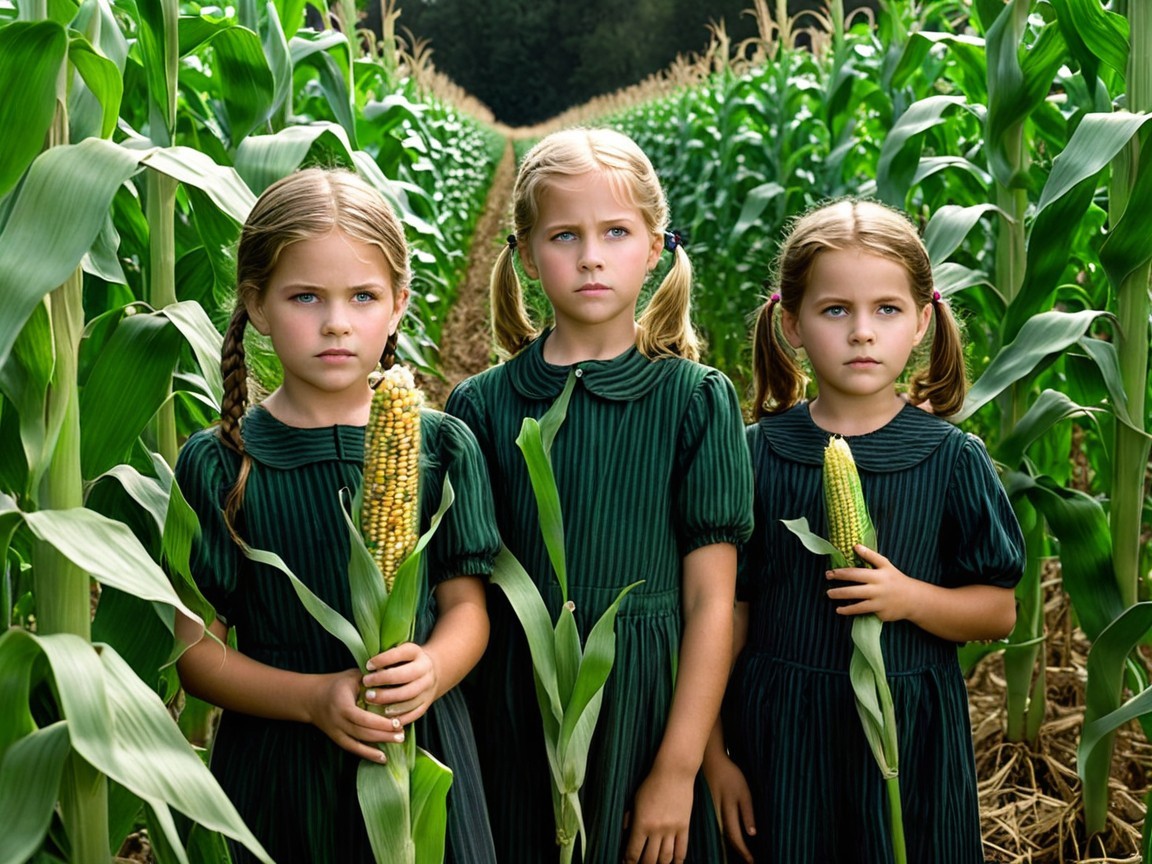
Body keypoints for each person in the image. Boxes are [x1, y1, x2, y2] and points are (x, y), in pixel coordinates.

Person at [445, 127, 754, 864]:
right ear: (522, 251)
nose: (590, 256)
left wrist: (680, 769)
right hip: (514, 703)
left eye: (615, 231)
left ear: (653, 247)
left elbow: (712, 603)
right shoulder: (480, 407)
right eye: (563, 235)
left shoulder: (694, 401)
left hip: (645, 703)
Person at [174, 167, 499, 864]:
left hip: (417, 753)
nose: (336, 322)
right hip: (281, 764)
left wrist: (434, 668)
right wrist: (313, 698)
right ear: (256, 305)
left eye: (362, 296)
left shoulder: (443, 447)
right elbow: (197, 654)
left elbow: (468, 609)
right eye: (304, 297)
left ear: (399, 304)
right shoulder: (218, 464)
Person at [704, 199, 1025, 863]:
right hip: (781, 732)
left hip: (906, 737)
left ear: (922, 323)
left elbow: (997, 611)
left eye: (886, 309)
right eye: (834, 310)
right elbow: (721, 616)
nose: (861, 333)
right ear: (790, 323)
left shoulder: (950, 458)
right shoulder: (754, 454)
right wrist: (712, 758)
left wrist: (911, 599)